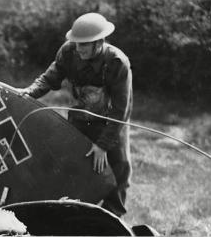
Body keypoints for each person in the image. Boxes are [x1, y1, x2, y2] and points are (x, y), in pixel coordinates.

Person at [21, 12, 132, 217]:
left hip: (111, 123)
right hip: (79, 120)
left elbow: (120, 109)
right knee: (72, 166)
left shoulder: (117, 63)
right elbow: (49, 79)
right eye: (77, 43)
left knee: (119, 171)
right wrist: (28, 93)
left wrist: (103, 145)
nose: (78, 48)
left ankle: (113, 218)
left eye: (84, 45)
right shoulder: (69, 52)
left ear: (99, 43)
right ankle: (71, 215)